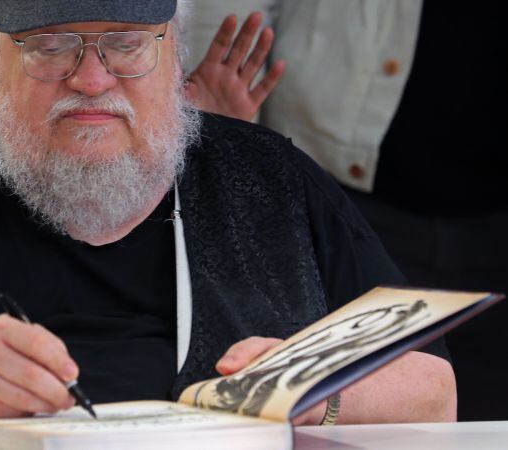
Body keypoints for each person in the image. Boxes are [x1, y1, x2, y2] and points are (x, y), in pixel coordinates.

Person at [0, 0, 456, 440]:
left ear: (172, 61)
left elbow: (433, 384)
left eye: (127, 44)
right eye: (52, 46)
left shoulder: (274, 181)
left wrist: (315, 393)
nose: (92, 78)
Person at [186, 0, 508, 421]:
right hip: (343, 188)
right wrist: (217, 141)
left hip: (493, 220)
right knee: (349, 407)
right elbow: (224, 37)